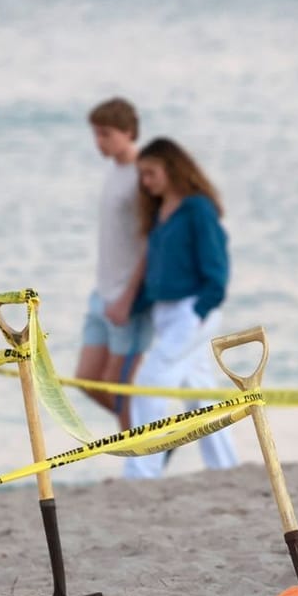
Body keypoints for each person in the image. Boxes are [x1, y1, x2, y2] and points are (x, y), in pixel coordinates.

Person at [124, 137, 239, 480]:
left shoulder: (198, 209)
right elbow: (161, 271)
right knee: (199, 393)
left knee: (149, 381)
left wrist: (200, 310)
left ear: (172, 169)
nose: (146, 182)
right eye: (142, 175)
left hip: (192, 310)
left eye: (151, 173)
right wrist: (134, 306)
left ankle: (141, 471)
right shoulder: (161, 213)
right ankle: (226, 468)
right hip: (166, 313)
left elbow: (217, 267)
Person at [76, 98, 149, 430]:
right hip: (101, 292)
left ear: (128, 132)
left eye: (105, 134)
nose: (98, 142)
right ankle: (154, 438)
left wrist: (128, 297)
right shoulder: (114, 171)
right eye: (95, 134)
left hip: (127, 298)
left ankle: (142, 457)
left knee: (120, 388)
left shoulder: (141, 176)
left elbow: (152, 242)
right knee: (88, 380)